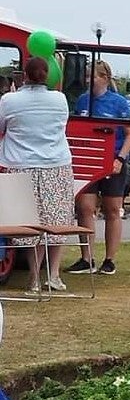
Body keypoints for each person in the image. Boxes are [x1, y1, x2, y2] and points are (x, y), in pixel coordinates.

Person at [0, 56, 77, 292]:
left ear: (23, 75)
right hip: (56, 164)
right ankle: (53, 275)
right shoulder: (60, 99)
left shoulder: (9, 100)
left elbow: (2, 127)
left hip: (20, 164)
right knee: (56, 221)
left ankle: (34, 277)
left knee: (28, 224)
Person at [70, 59, 130, 276]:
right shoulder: (82, 100)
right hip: (89, 160)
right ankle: (86, 257)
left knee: (112, 209)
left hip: (112, 160)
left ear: (104, 78)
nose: (88, 80)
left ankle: (110, 260)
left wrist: (120, 158)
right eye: (87, 76)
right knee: (85, 207)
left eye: (93, 76)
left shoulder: (119, 103)